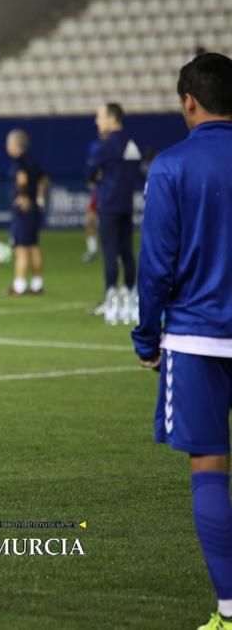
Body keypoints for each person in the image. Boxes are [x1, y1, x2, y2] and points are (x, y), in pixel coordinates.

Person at [133, 52, 232, 630]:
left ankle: (229, 609)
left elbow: (157, 268)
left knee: (209, 466)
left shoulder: (171, 166)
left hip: (196, 339)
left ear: (188, 102)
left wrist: (148, 338)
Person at [87, 102, 142, 323]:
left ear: (112, 119)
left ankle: (111, 298)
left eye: (100, 117)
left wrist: (97, 178)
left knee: (110, 253)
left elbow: (90, 171)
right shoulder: (130, 144)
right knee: (127, 251)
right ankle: (130, 297)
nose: (96, 121)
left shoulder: (105, 145)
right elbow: (137, 169)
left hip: (108, 205)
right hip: (126, 205)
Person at [4, 129, 48, 296]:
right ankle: (37, 284)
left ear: (16, 145)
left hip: (23, 211)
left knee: (21, 248)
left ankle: (19, 285)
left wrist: (23, 196)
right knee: (33, 246)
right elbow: (44, 180)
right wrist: (39, 198)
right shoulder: (33, 162)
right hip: (34, 211)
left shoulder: (20, 162)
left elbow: (22, 179)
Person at [82, 133, 105, 264]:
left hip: (112, 193)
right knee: (90, 221)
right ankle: (92, 250)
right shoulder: (95, 146)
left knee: (111, 225)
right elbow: (90, 170)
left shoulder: (117, 147)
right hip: (98, 192)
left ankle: (117, 253)